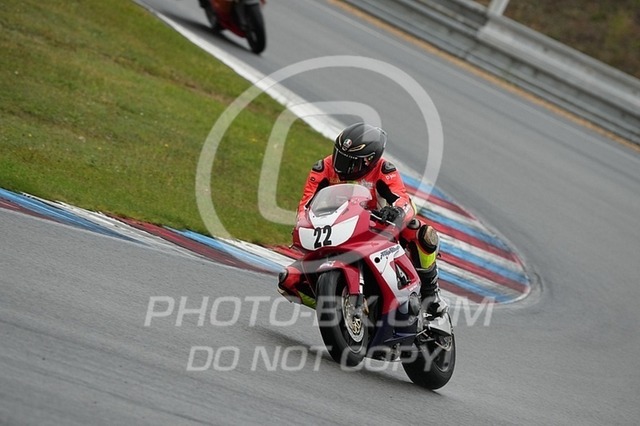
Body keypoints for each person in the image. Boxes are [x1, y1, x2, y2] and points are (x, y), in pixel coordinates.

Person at [277, 122, 448, 317]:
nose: (340, 165)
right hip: (334, 231)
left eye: (349, 161)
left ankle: (431, 294)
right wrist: (302, 225)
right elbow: (305, 206)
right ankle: (335, 304)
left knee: (422, 233)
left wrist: (396, 211)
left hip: (376, 228)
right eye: (339, 155)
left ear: (369, 160)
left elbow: (404, 200)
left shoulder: (384, 170)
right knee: (287, 280)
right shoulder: (322, 168)